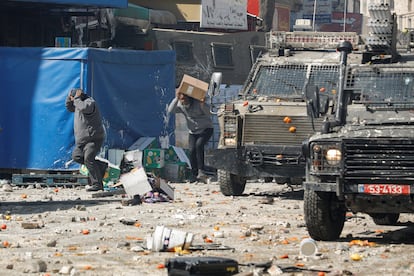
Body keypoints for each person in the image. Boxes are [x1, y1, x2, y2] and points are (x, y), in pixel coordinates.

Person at [65, 88, 107, 192]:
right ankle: (101, 166)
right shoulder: (77, 103)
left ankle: (97, 185)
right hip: (82, 140)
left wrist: (77, 98)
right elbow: (70, 108)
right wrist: (69, 99)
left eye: (74, 98)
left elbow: (84, 108)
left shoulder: (89, 102)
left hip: (93, 138)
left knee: (89, 159)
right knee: (77, 157)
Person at [168, 91, 214, 182]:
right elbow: (170, 110)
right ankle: (194, 174)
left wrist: (202, 104)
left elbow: (209, 113)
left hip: (206, 129)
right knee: (191, 150)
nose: (183, 102)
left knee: (199, 145)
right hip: (193, 131)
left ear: (189, 98)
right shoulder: (181, 106)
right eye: (181, 100)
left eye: (185, 99)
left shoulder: (198, 104)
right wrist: (176, 98)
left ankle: (201, 171)